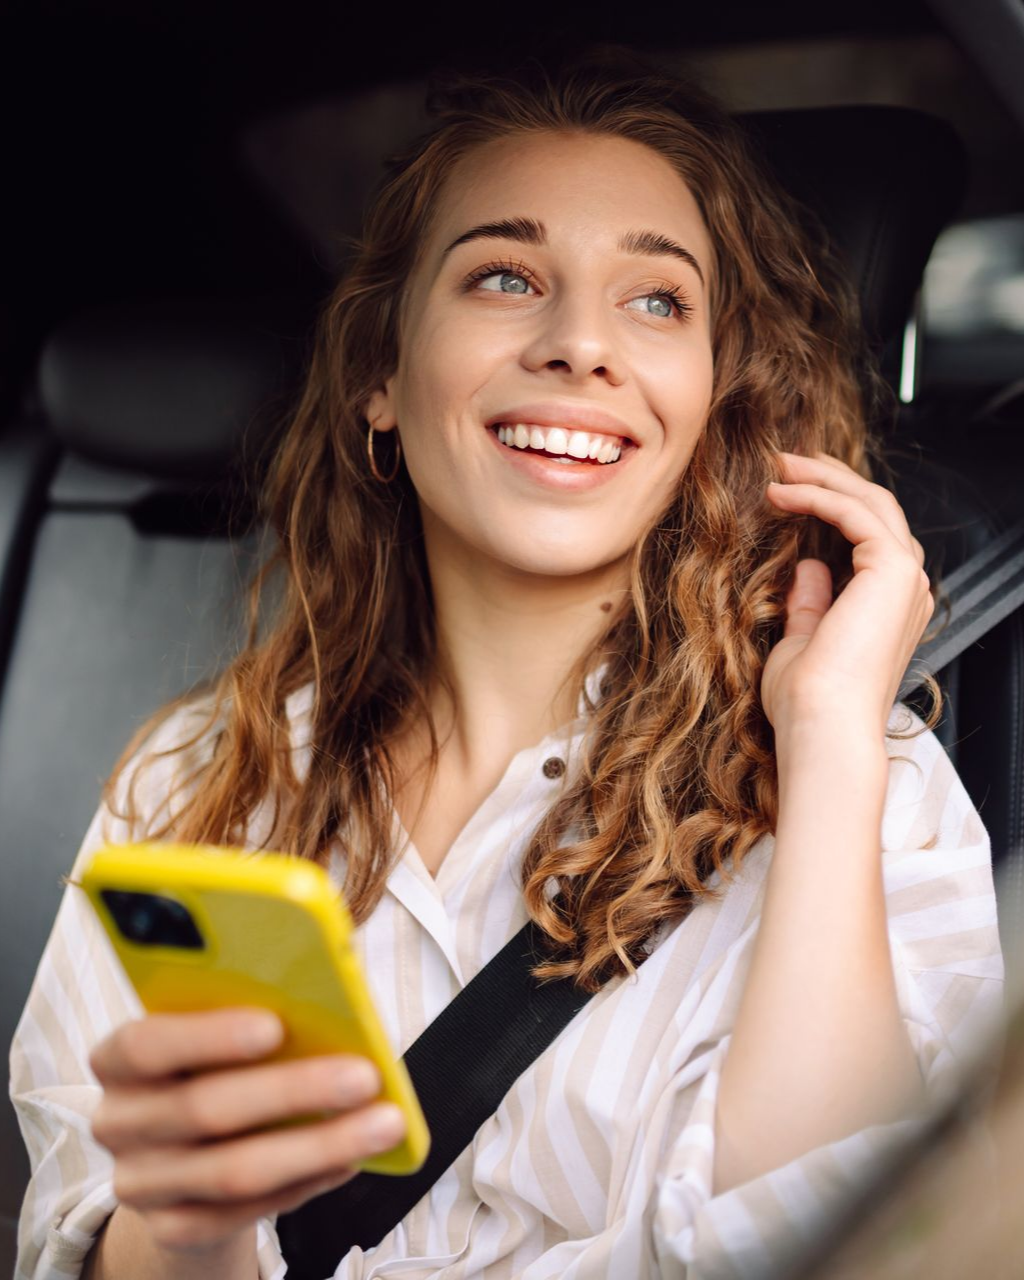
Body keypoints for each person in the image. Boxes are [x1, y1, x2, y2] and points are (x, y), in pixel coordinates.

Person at [9, 44, 1005, 1280]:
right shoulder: (193, 783)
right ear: (380, 377)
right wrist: (190, 1219)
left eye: (656, 301)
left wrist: (833, 750)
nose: (581, 344)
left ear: (711, 404)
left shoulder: (869, 786)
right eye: (502, 275)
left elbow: (854, 1250)